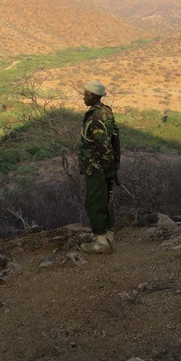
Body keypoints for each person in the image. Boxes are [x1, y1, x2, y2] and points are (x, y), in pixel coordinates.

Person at [77, 80, 120, 254]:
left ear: (95, 96)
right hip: (107, 166)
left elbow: (103, 145)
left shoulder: (95, 117)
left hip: (97, 167)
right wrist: (114, 166)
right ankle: (109, 236)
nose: (84, 97)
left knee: (94, 203)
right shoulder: (106, 111)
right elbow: (115, 138)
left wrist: (107, 167)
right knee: (106, 201)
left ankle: (100, 242)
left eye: (87, 94)